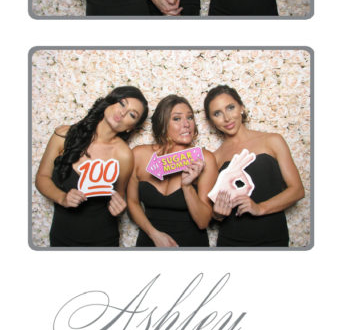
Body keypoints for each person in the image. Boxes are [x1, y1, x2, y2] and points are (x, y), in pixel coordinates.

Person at [35, 86, 148, 247]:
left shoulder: (124, 155)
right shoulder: (64, 135)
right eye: (122, 103)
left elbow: (118, 196)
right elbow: (41, 178)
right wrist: (62, 198)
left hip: (104, 242)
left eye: (132, 114)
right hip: (62, 239)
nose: (123, 112)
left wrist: (119, 208)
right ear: (109, 102)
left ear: (131, 127)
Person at [203, 84, 305, 247]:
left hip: (272, 239)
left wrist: (260, 208)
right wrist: (218, 214)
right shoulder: (214, 158)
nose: (227, 118)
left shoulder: (273, 140)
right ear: (211, 122)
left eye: (230, 107)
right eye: (217, 113)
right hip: (231, 241)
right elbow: (212, 213)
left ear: (241, 107)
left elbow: (297, 190)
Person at [127, 96, 218, 247]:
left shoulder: (205, 159)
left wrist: (187, 186)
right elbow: (132, 202)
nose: (187, 124)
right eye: (177, 118)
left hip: (191, 246)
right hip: (149, 243)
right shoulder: (139, 155)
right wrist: (154, 234)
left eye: (190, 117)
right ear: (162, 124)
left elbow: (203, 222)